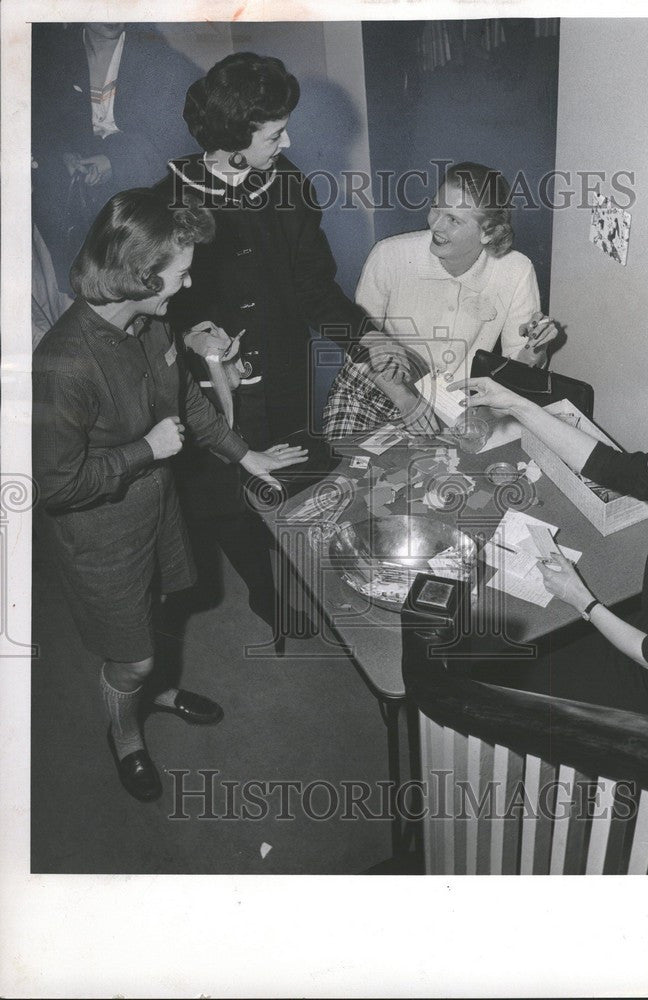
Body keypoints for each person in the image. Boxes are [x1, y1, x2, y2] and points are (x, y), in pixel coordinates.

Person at [32, 189, 307, 802]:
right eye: (180, 274)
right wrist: (145, 452)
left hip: (157, 513)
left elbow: (182, 403)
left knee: (155, 620)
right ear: (137, 274)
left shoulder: (150, 322)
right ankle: (125, 733)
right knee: (128, 658)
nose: (187, 287)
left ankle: (153, 689)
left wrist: (245, 453)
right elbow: (55, 486)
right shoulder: (62, 364)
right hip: (102, 540)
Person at [155, 52, 375, 631]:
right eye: (275, 132)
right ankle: (263, 590)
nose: (288, 140)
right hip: (208, 389)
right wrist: (193, 331)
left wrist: (367, 340)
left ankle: (303, 570)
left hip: (282, 369)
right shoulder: (170, 200)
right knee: (227, 498)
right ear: (233, 140)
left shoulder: (289, 183)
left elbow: (313, 287)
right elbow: (153, 308)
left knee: (294, 478)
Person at [450, 372, 648, 731]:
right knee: (536, 663)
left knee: (523, 686)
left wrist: (581, 598)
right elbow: (603, 464)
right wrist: (517, 403)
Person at [322, 161, 559, 440]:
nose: (436, 224)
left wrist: (535, 350)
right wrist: (405, 400)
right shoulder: (389, 255)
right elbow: (360, 345)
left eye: (454, 220)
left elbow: (516, 368)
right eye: (436, 208)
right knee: (344, 473)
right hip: (372, 387)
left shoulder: (516, 270)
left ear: (490, 232)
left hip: (451, 407)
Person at [31, 22, 200, 288]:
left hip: (143, 188)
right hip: (76, 199)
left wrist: (116, 163)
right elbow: (39, 123)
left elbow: (180, 142)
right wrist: (64, 156)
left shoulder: (160, 60)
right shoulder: (51, 52)